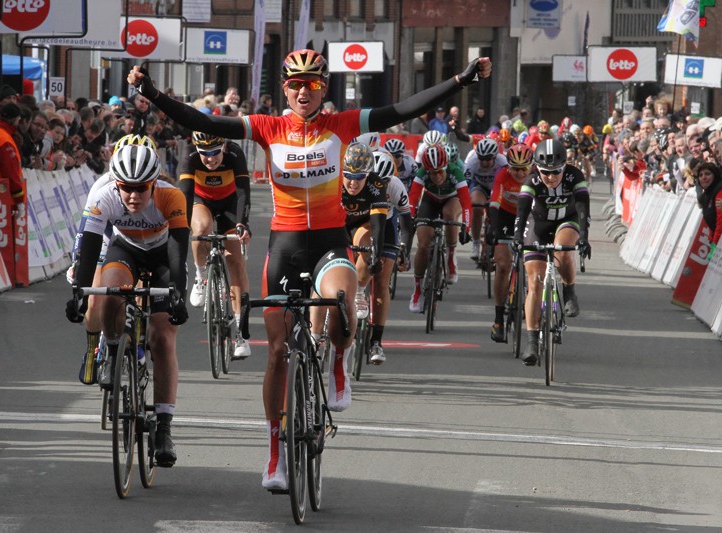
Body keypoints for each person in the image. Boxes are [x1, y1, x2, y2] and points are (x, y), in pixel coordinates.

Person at [128, 50, 492, 490]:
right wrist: (151, 93)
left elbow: (403, 109)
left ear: (323, 88)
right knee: (278, 353)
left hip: (327, 242)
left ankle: (338, 361)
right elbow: (203, 122)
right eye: (295, 85)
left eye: (313, 84)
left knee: (341, 301)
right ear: (285, 88)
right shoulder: (269, 127)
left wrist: (460, 79)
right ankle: (275, 456)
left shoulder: (342, 125)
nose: (303, 92)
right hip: (284, 248)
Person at [66, 143, 189, 467]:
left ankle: (163, 427)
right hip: (126, 249)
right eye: (126, 189)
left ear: (153, 183)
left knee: (163, 339)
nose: (133, 196)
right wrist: (79, 291)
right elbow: (90, 245)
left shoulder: (171, 196)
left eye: (140, 189)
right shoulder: (103, 194)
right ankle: (114, 350)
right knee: (110, 292)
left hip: (164, 254)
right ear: (115, 184)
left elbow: (178, 252)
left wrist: (177, 292)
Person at [513, 139, 590, 366]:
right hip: (538, 224)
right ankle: (532, 342)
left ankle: (569, 291)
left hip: (567, 220)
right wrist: (517, 238)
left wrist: (584, 237)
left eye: (555, 171)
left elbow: (583, 206)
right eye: (545, 172)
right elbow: (522, 209)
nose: (550, 177)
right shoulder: (532, 179)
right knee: (534, 281)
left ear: (564, 166)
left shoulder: (574, 176)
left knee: (563, 251)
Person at [179, 131, 252, 358]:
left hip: (230, 204)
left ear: (223, 147)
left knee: (236, 264)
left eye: (214, 153)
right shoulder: (189, 155)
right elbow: (185, 194)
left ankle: (241, 333)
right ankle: (201, 276)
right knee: (200, 229)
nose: (210, 159)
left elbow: (243, 192)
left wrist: (242, 224)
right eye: (205, 154)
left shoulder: (234, 153)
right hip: (202, 201)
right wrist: (181, 226)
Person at [407, 143, 472, 312]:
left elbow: (466, 204)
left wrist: (466, 227)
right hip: (430, 200)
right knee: (423, 245)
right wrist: (410, 219)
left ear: (446, 167)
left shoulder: (455, 172)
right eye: (432, 173)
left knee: (449, 213)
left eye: (440, 172)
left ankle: (451, 255)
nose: (436, 176)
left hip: (452, 199)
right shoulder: (421, 173)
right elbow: (412, 199)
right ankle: (418, 289)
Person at [486, 143, 534, 342]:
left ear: (531, 166)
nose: (520, 172)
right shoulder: (502, 175)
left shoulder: (536, 177)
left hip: (530, 216)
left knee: (534, 263)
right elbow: (494, 204)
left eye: (524, 168)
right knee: (503, 265)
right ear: (508, 165)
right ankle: (498, 319)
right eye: (515, 168)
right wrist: (494, 230)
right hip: (505, 216)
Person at [369, 149, 413, 363]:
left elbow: (406, 222)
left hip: (386, 226)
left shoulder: (396, 185)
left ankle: (376, 340)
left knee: (381, 282)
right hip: (362, 222)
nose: (381, 187)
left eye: (384, 182)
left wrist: (404, 248)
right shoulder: (355, 180)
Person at [340, 142, 388, 325]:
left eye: (359, 177)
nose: (353, 182)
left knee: (369, 245)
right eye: (348, 176)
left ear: (367, 175)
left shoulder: (376, 185)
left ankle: (359, 291)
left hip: (362, 223)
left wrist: (376, 255)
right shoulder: (334, 179)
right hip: (336, 222)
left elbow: (378, 226)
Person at [463, 137, 508, 261]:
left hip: (498, 187)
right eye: (481, 158)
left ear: (494, 157)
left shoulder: (502, 161)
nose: (483, 162)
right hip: (480, 187)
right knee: (476, 207)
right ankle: (476, 243)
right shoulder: (472, 162)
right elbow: (464, 186)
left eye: (487, 159)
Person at [694, 162, 722, 260]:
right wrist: (711, 241)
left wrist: (715, 245)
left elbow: (720, 222)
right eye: (701, 175)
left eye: (707, 174)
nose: (704, 177)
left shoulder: (719, 192)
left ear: (715, 176)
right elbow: (711, 222)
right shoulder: (706, 195)